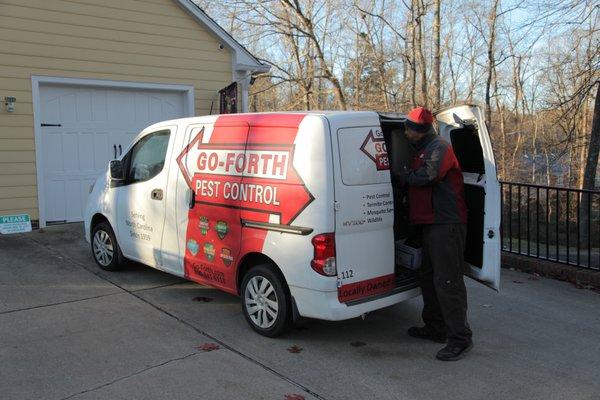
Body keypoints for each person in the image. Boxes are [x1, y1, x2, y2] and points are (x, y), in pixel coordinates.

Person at [397, 106, 472, 361]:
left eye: (408, 128)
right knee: (428, 276)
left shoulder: (439, 148)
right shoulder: (423, 149)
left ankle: (460, 338)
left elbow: (429, 175)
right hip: (430, 223)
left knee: (448, 281)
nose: (405, 132)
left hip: (446, 224)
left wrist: (403, 176)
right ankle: (436, 327)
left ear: (419, 130)